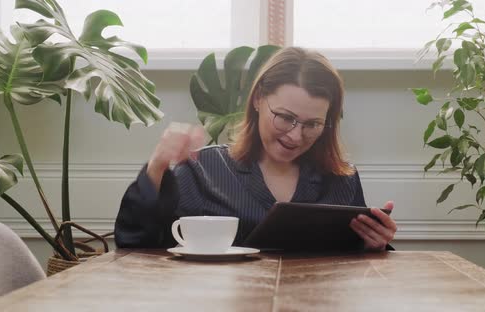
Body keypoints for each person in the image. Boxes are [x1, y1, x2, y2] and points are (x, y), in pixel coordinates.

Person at [114, 47, 397, 250]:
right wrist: (156, 167)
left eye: (313, 124)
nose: (296, 136)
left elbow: (355, 269)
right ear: (259, 99)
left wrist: (375, 244)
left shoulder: (342, 180)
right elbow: (134, 244)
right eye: (285, 117)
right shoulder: (202, 169)